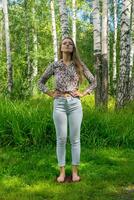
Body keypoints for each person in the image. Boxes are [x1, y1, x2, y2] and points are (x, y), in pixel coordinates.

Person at [38, 37, 97, 183]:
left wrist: (83, 93)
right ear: (61, 47)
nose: (67, 45)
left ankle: (75, 173)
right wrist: (50, 93)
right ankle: (62, 173)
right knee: (61, 138)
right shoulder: (55, 65)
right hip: (59, 104)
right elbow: (40, 82)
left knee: (75, 139)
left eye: (70, 43)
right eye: (65, 43)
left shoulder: (79, 64)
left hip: (75, 104)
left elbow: (94, 81)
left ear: (73, 48)